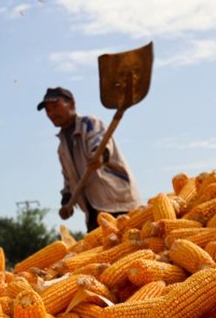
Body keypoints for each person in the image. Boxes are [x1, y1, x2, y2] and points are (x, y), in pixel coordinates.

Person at [37, 86, 141, 230]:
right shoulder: (62, 148)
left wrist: (98, 155)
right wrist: (66, 202)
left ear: (71, 104)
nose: (52, 113)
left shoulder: (90, 124)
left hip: (117, 203)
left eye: (55, 106)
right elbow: (69, 179)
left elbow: (100, 146)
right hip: (92, 211)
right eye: (48, 110)